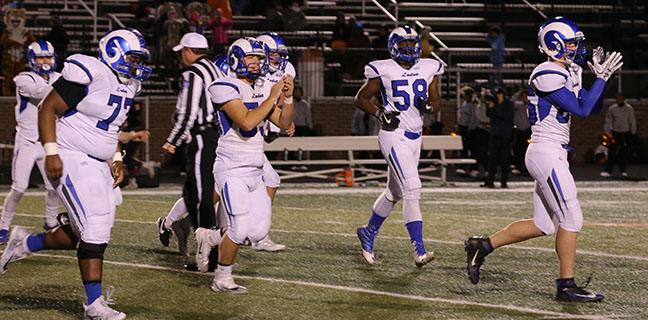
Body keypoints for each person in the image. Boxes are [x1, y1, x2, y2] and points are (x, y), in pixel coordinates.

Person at [465, 17, 622, 302]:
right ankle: (566, 285)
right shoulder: (545, 72)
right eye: (571, 43)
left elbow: (592, 106)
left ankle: (483, 245)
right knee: (572, 217)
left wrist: (601, 80)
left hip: (553, 151)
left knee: (544, 225)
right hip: (545, 150)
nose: (576, 48)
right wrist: (601, 78)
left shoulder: (569, 70)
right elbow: (582, 110)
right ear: (554, 44)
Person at [0, 28, 152, 318]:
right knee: (93, 228)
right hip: (71, 155)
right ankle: (93, 305)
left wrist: (116, 156)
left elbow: (112, 125)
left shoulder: (130, 84)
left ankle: (25, 243)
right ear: (114, 51)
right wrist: (52, 152)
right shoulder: (90, 72)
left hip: (98, 162)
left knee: (89, 230)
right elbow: (47, 108)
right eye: (132, 57)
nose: (136, 64)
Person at [204, 37, 294, 293]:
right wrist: (273, 95)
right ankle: (222, 278)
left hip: (255, 167)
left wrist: (287, 99)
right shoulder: (224, 86)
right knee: (238, 227)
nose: (255, 63)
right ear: (236, 58)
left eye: (259, 58)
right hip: (231, 167)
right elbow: (246, 121)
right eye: (250, 58)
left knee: (255, 234)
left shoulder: (264, 88)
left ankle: (207, 237)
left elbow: (284, 123)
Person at [354, 25, 443, 267]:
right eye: (403, 45)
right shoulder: (383, 69)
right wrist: (380, 113)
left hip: (416, 136)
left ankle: (368, 231)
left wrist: (429, 107)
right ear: (394, 47)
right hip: (393, 135)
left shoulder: (428, 67)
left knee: (394, 192)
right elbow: (361, 98)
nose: (408, 49)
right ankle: (419, 249)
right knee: (412, 187)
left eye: (411, 44)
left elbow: (436, 101)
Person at [156, 33, 224, 271]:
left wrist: (171, 143)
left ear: (188, 51)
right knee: (193, 192)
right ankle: (174, 224)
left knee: (201, 199)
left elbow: (188, 113)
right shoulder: (217, 70)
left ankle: (207, 256)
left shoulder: (192, 74)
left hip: (202, 137)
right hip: (218, 137)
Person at [0, 40, 61, 244]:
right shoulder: (24, 78)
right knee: (19, 187)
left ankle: (51, 220)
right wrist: (67, 88)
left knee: (54, 186)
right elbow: (42, 93)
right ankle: (3, 225)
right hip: (27, 140)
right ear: (32, 60)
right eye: (41, 57)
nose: (45, 61)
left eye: (48, 57)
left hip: (48, 141)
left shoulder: (58, 77)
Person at [482, 87, 514, 188]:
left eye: (500, 94)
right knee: (492, 159)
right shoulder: (495, 104)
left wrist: (494, 108)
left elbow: (506, 116)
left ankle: (504, 182)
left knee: (504, 159)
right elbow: (489, 115)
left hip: (505, 135)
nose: (498, 96)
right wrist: (490, 107)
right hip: (495, 134)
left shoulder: (508, 104)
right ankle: (489, 181)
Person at [601, 93, 636, 177]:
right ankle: (608, 171)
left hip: (625, 132)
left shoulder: (629, 108)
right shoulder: (612, 109)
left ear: (624, 99)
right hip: (615, 133)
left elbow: (632, 120)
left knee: (623, 152)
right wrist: (607, 132)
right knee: (612, 152)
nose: (619, 100)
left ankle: (623, 171)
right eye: (617, 98)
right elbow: (608, 121)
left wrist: (633, 132)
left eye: (621, 98)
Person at [511, 88, 531, 174]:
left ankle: (527, 168)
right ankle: (519, 166)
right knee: (517, 149)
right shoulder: (518, 105)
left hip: (528, 130)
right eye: (523, 96)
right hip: (519, 130)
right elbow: (512, 101)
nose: (524, 98)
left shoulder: (531, 105)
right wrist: (518, 92)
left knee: (527, 149)